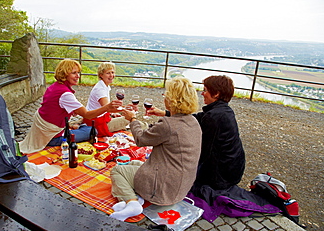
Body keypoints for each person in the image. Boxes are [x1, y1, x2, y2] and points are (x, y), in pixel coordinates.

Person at [109, 76, 202, 221]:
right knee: (132, 163)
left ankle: (132, 202)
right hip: (181, 186)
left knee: (117, 170)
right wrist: (165, 113)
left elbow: (141, 139)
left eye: (166, 94)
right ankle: (136, 197)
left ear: (172, 100)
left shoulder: (168, 125)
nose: (164, 97)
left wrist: (132, 119)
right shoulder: (193, 121)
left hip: (161, 190)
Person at [148, 75, 245, 191]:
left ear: (216, 94)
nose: (202, 93)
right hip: (234, 167)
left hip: (223, 175)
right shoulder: (222, 110)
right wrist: (165, 113)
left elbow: (201, 151)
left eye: (205, 90)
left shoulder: (214, 117)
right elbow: (197, 118)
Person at [19, 59, 122, 154]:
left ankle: (77, 127)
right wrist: (107, 107)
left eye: (78, 72)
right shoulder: (65, 94)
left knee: (85, 127)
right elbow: (87, 115)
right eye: (74, 73)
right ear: (64, 74)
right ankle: (73, 131)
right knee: (92, 131)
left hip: (43, 130)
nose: (78, 76)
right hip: (52, 136)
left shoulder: (54, 87)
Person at [83, 62, 129, 137]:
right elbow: (108, 108)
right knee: (129, 118)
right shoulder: (100, 89)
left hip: (96, 117)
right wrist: (127, 109)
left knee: (123, 114)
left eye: (112, 72)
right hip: (97, 123)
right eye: (108, 73)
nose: (111, 75)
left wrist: (115, 112)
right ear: (101, 75)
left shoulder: (103, 85)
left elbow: (107, 108)